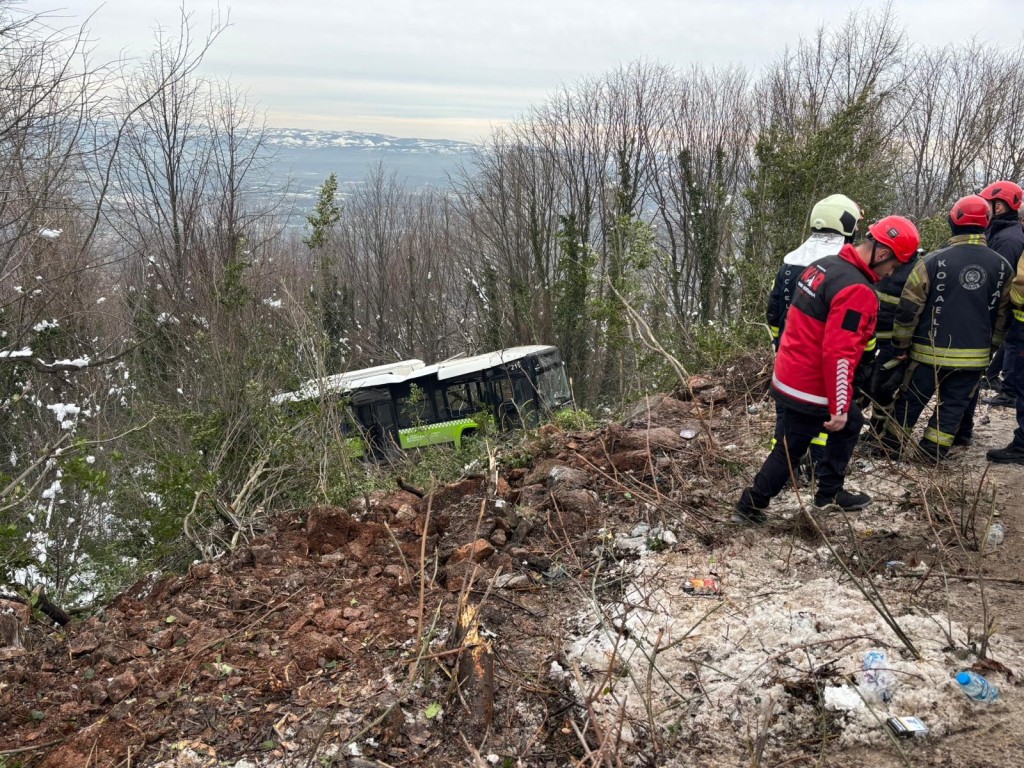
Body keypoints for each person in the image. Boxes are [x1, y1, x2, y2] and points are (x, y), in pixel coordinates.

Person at [733, 216, 921, 524]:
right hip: (810, 384)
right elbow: (839, 352)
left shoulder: (823, 266)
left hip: (791, 372)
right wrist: (838, 404)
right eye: (895, 266)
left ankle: (829, 492)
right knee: (792, 449)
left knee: (849, 426)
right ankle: (751, 504)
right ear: (883, 253)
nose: (891, 274)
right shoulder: (857, 291)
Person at [879, 195, 1012, 461]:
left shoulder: (931, 261)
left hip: (928, 353)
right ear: (986, 224)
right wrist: (991, 349)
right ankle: (931, 454)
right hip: (974, 357)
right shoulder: (1003, 267)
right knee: (952, 408)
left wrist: (901, 346)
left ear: (953, 222)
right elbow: (1002, 317)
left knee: (910, 401)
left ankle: (889, 448)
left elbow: (908, 308)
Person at [765, 194, 863, 476]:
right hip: (820, 357)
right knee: (821, 411)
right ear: (847, 225)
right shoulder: (839, 268)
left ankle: (784, 468)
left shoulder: (789, 261)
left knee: (785, 413)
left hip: (787, 354)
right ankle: (817, 462)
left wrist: (777, 340)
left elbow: (773, 309)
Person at [978, 181, 1024, 408]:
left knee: (1011, 346)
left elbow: (998, 276)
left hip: (1003, 308)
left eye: (987, 203)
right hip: (1006, 308)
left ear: (999, 207)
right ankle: (994, 379)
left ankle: (1009, 391)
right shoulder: (1002, 232)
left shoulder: (1007, 239)